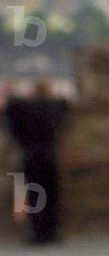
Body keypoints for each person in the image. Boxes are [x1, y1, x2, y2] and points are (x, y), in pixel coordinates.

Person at [5, 77, 69, 244]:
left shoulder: (25, 108)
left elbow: (11, 107)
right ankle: (51, 232)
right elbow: (64, 104)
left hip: (31, 155)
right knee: (52, 195)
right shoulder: (53, 108)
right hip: (49, 155)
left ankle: (37, 233)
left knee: (34, 195)